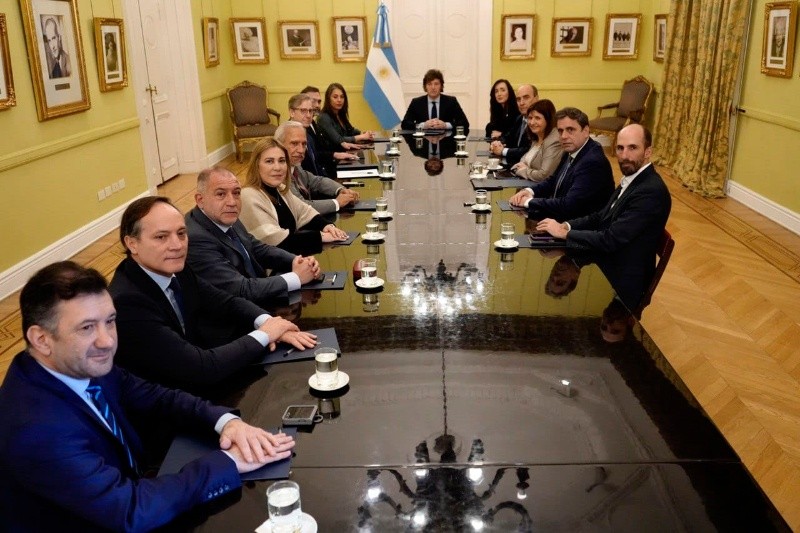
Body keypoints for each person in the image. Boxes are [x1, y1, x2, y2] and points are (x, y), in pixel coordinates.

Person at [0, 261, 295, 531]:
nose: (107, 341)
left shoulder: (79, 362)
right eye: (87, 327)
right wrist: (228, 462)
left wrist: (226, 422)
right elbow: (132, 510)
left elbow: (157, 396)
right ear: (41, 339)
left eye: (110, 321)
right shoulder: (37, 429)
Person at [109, 196, 317, 394]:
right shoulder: (128, 303)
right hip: (169, 406)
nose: (177, 245)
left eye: (181, 233)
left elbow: (225, 302)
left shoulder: (175, 268)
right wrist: (265, 334)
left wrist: (270, 322)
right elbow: (200, 368)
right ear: (132, 243)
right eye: (161, 237)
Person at [535, 124, 672, 311]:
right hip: (610, 259)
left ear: (648, 152)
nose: (625, 155)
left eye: (633, 148)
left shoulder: (650, 191)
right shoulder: (634, 179)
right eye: (620, 148)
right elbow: (601, 217)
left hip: (622, 280)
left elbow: (610, 239)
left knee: (557, 307)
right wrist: (565, 226)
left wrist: (565, 235)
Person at [186, 166, 321, 306]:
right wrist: (296, 277)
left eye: (236, 193)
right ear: (200, 200)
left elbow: (256, 247)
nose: (232, 202)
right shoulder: (196, 239)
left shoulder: (223, 215)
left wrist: (296, 261)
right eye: (221, 194)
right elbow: (241, 289)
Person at [240, 138, 349, 255]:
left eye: (282, 161)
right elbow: (276, 242)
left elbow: (304, 212)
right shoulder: (249, 196)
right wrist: (321, 236)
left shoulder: (280, 189)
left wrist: (327, 226)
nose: (277, 167)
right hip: (270, 269)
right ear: (256, 165)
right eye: (269, 161)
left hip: (292, 260)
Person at [509, 107, 614, 221]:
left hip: (580, 229)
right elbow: (553, 180)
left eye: (570, 130)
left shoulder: (592, 162)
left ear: (586, 131)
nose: (563, 136)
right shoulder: (572, 150)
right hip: (563, 219)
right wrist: (529, 191)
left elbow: (569, 205)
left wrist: (529, 202)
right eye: (560, 131)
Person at [274, 120, 360, 215]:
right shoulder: (277, 172)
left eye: (304, 144)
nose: (301, 150)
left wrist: (341, 190)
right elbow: (301, 207)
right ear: (279, 144)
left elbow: (316, 181)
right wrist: (337, 203)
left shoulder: (294, 166)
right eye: (294, 144)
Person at [289, 93, 356, 177]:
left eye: (310, 111)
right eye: (303, 111)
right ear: (292, 112)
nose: (309, 115)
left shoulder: (308, 136)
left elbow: (316, 165)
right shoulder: (287, 136)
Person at [510, 99, 563, 182]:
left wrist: (524, 171)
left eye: (537, 118)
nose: (532, 122)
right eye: (530, 118)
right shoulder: (537, 137)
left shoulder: (554, 141)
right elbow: (523, 160)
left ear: (548, 120)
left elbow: (544, 175)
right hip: (527, 186)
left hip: (542, 192)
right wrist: (523, 168)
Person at [401, 69, 470, 132]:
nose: (433, 87)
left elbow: (464, 123)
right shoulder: (416, 102)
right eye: (429, 84)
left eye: (436, 84)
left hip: (446, 142)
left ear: (441, 86)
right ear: (425, 86)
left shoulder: (451, 101)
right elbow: (405, 124)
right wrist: (423, 125)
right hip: (423, 143)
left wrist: (445, 125)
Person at [489, 84, 538, 165]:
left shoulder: (538, 122)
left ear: (536, 99)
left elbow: (529, 150)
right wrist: (497, 144)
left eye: (526, 98)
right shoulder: (519, 118)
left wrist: (503, 151)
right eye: (518, 99)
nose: (521, 103)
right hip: (515, 164)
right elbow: (507, 137)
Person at [317, 82, 375, 151]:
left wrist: (365, 134)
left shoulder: (340, 113)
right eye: (335, 97)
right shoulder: (323, 118)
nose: (339, 100)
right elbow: (339, 140)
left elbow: (351, 131)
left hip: (346, 152)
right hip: (333, 157)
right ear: (328, 99)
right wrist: (361, 137)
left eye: (342, 97)